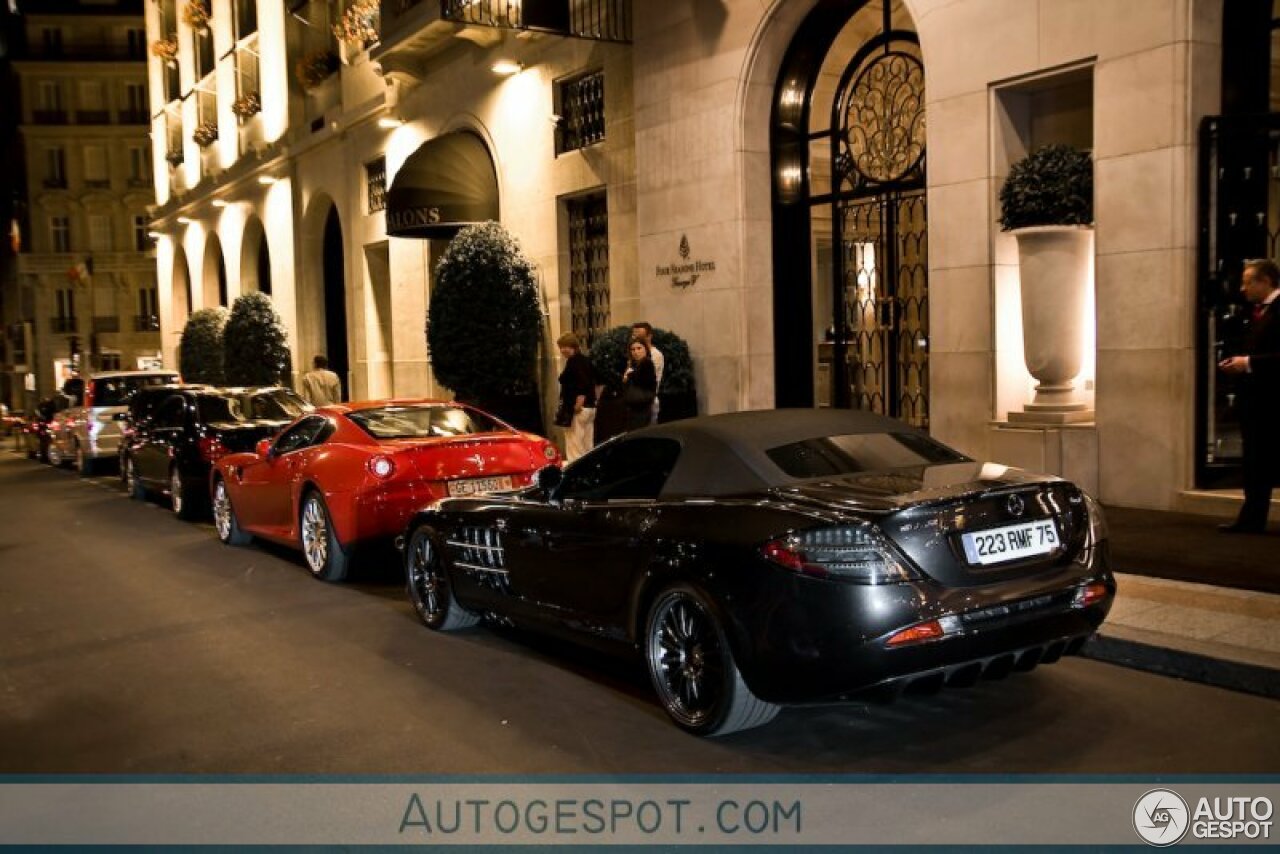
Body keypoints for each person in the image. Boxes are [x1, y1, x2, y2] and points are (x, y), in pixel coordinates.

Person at [1218, 258, 1280, 533]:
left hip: (1272, 401)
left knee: (1263, 460)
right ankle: (1252, 518)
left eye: (1247, 282)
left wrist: (1248, 363)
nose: (1243, 289)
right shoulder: (1257, 312)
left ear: (1265, 281)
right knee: (1255, 461)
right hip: (1256, 402)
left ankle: (1253, 518)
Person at [555, 332, 596, 462]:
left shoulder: (574, 362)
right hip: (590, 408)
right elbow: (598, 381)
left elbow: (582, 383)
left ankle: (575, 476)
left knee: (574, 447)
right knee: (587, 445)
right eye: (561, 347)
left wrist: (578, 403)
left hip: (578, 409)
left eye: (565, 346)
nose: (562, 350)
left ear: (573, 346)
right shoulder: (586, 360)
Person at [621, 338, 657, 431]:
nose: (636, 352)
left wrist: (629, 375)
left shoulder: (647, 363)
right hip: (634, 406)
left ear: (645, 349)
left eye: (639, 348)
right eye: (633, 349)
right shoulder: (635, 364)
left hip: (642, 406)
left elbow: (644, 380)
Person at [631, 322, 663, 424]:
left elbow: (647, 379)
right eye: (634, 336)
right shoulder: (633, 357)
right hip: (636, 402)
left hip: (647, 401)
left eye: (640, 337)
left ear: (649, 337)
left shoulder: (655, 355)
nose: (636, 340)